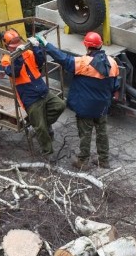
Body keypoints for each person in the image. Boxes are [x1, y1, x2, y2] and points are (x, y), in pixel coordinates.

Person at [30, 32, 120, 169]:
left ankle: (83, 161)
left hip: (86, 107)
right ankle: (104, 160)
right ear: (100, 44)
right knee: (102, 132)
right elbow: (115, 86)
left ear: (86, 45)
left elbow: (63, 58)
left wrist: (46, 44)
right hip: (102, 106)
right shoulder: (112, 63)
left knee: (85, 133)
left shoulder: (83, 63)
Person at [1, 29, 66, 157]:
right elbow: (14, 72)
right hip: (29, 97)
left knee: (60, 105)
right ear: (7, 46)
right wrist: (18, 56)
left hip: (41, 89)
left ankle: (43, 126)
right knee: (40, 127)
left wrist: (37, 47)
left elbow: (40, 62)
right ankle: (48, 153)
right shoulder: (6, 59)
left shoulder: (28, 52)